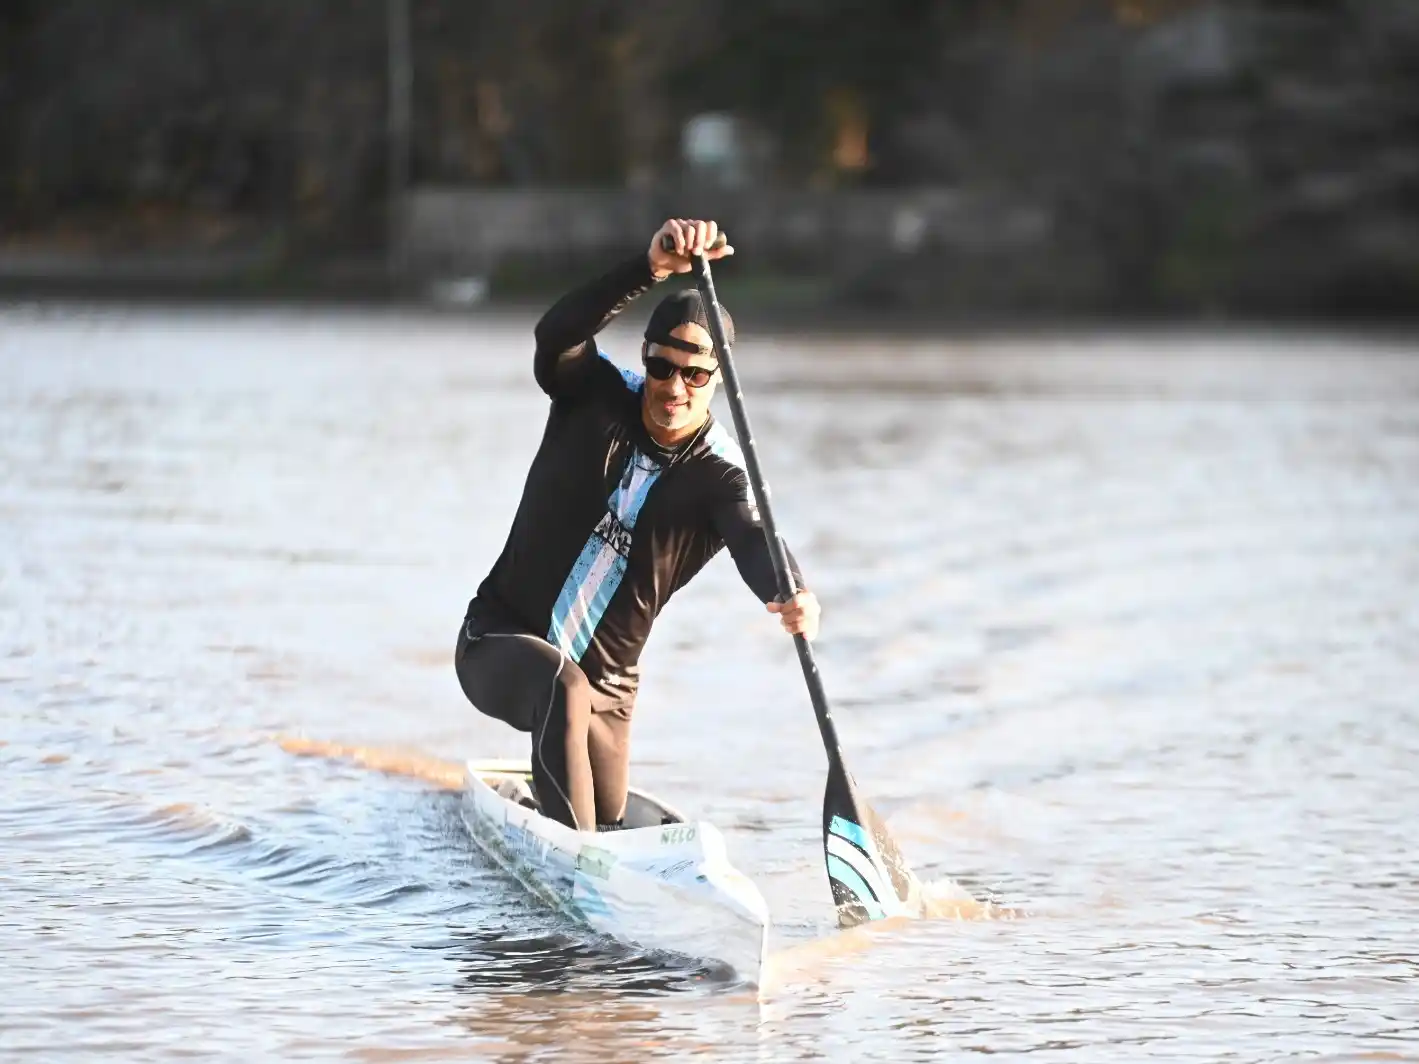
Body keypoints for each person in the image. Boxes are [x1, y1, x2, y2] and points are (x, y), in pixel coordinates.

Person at [455, 218, 821, 832]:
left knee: (607, 804)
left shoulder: (723, 475)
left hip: (608, 696)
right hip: (497, 643)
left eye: (696, 374)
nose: (674, 387)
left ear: (718, 381)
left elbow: (756, 540)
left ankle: (582, 829)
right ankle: (579, 857)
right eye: (661, 366)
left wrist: (793, 591)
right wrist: (645, 270)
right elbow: (557, 335)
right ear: (644, 359)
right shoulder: (592, 396)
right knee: (561, 690)